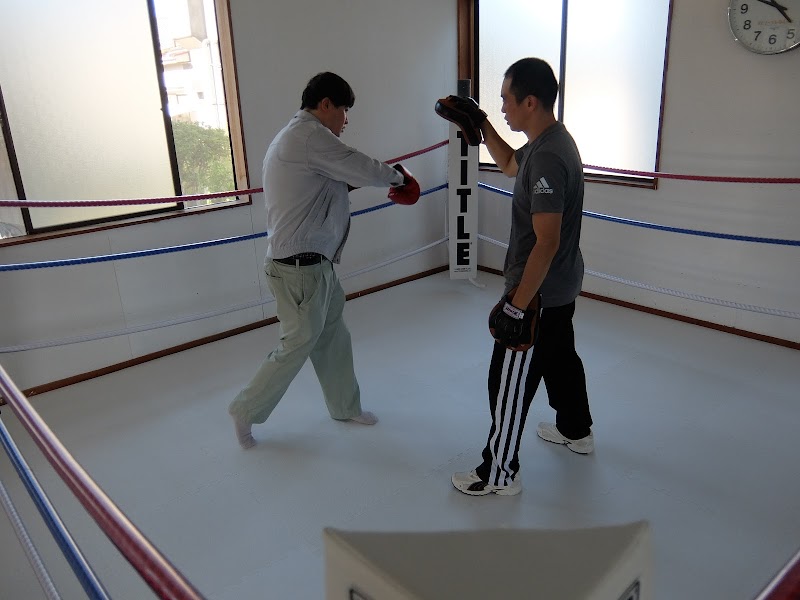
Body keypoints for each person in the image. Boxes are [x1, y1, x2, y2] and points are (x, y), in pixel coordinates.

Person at [229, 72, 419, 449]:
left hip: (315, 265)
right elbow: (356, 163)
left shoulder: (299, 139)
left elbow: (336, 180)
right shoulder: (309, 136)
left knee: (332, 336)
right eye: (344, 110)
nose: (346, 120)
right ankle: (245, 410)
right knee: (297, 343)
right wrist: (398, 177)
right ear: (326, 104)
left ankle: (345, 406)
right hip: (298, 268)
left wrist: (386, 179)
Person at [440, 58, 593, 496]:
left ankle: (499, 473)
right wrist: (482, 124)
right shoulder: (550, 140)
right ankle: (576, 430)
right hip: (561, 285)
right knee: (560, 359)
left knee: (507, 381)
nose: (503, 107)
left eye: (507, 100)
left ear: (530, 101)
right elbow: (509, 163)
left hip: (538, 292)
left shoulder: (547, 157)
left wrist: (517, 305)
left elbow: (546, 241)